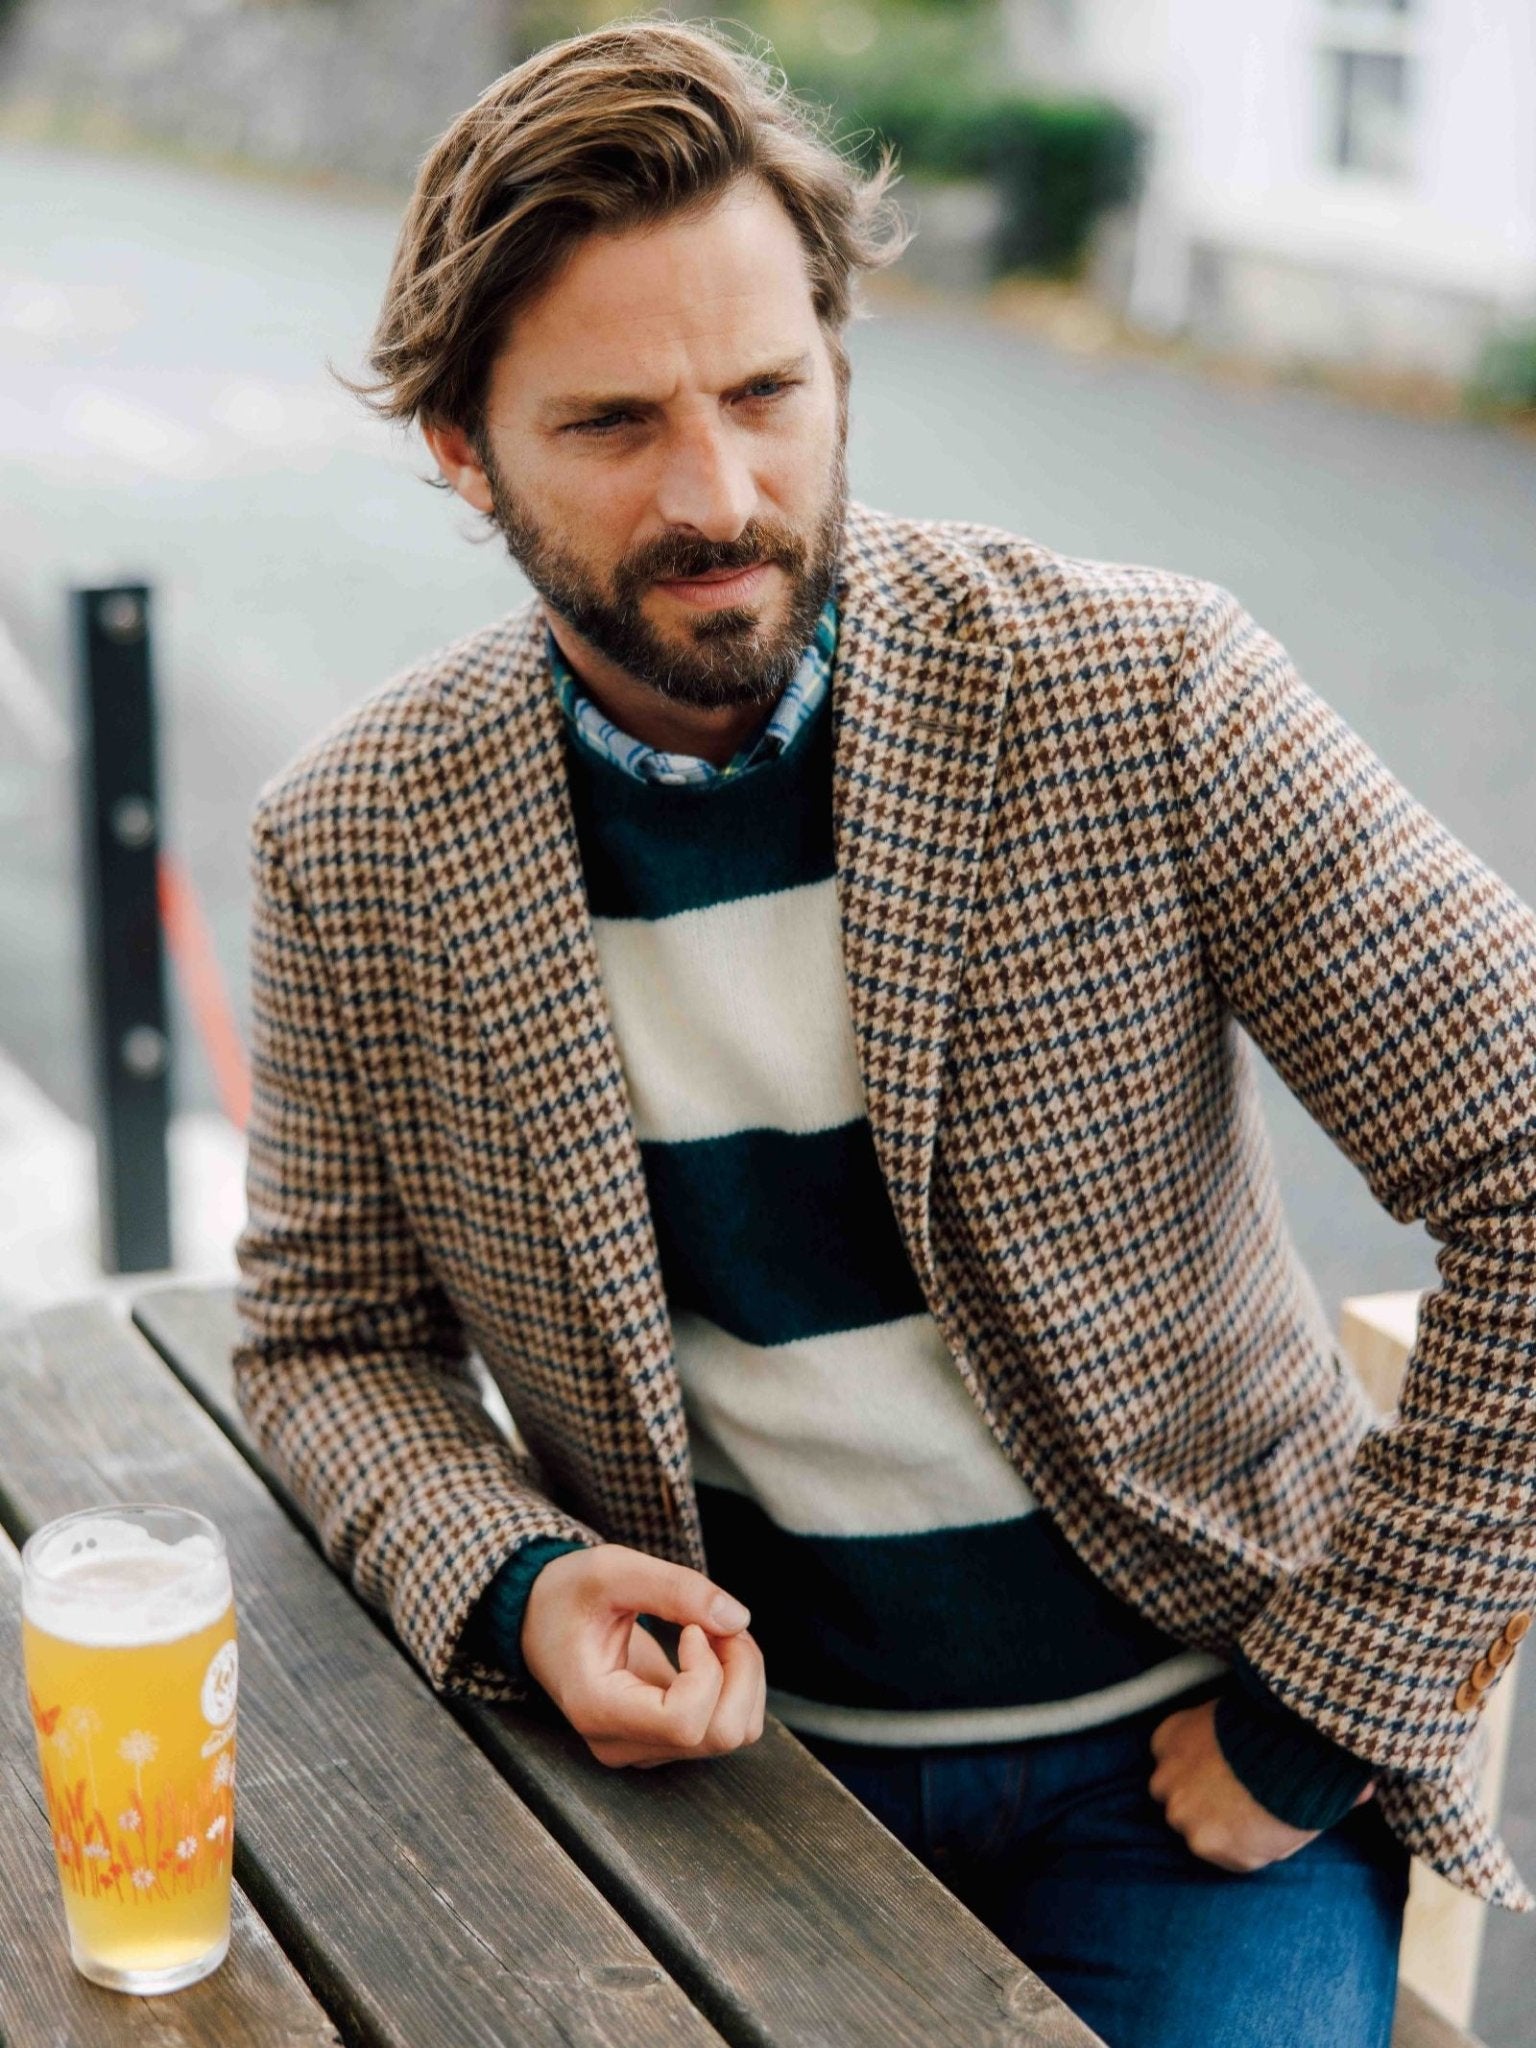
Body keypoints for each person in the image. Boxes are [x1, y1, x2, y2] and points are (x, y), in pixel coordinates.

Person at [233, 19, 1536, 2046]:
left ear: (841, 365)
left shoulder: (1149, 694)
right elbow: (328, 1341)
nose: (720, 489)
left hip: (1191, 1769)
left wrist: (1328, 1699)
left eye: (767, 390)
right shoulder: (355, 840)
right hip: (721, 1778)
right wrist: (516, 1582)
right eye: (612, 425)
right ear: (461, 449)